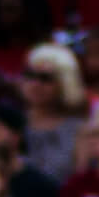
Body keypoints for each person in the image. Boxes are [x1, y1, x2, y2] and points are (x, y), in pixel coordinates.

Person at [21, 44, 86, 185]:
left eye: (45, 78)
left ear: (64, 84)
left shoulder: (79, 129)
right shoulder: (9, 123)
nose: (35, 84)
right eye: (30, 75)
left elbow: (80, 180)